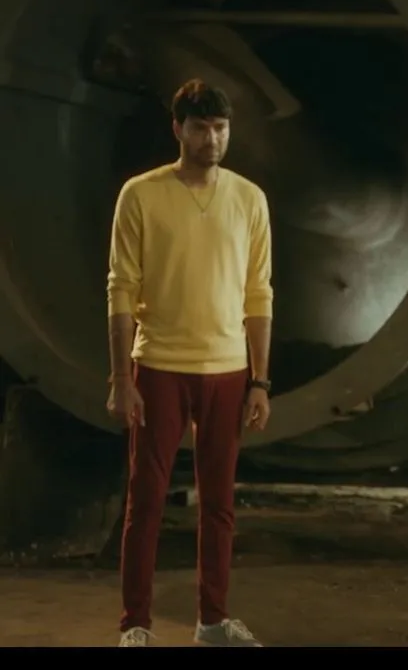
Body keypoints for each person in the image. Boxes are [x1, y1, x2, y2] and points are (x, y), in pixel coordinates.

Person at [106, 79, 274, 647]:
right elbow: (121, 288)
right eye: (200, 128)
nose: (212, 139)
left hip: (227, 370)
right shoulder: (141, 195)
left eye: (220, 128)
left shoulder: (249, 198)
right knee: (146, 501)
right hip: (159, 366)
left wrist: (260, 380)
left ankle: (212, 622)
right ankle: (136, 625)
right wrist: (121, 378)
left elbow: (258, 294)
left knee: (219, 503)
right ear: (177, 129)